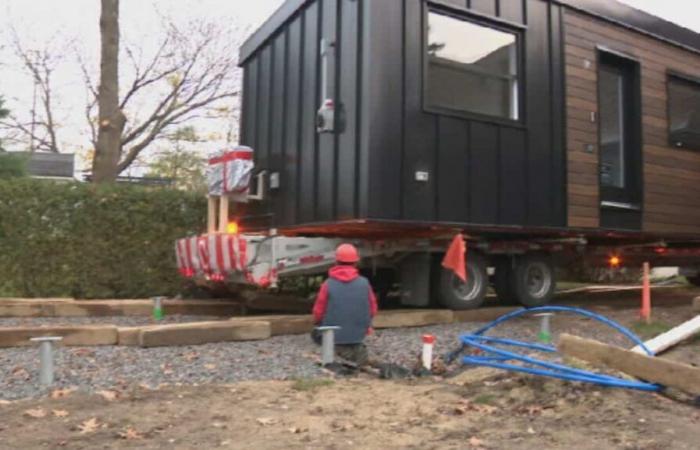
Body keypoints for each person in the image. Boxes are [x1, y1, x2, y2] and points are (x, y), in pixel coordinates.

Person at [311, 243, 378, 365]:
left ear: (336, 261)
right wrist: (365, 324)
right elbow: (373, 309)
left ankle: (339, 352)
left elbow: (318, 312)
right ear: (356, 262)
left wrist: (318, 323)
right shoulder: (364, 283)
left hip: (332, 335)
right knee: (354, 350)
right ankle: (355, 352)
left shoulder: (328, 284)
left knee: (318, 333)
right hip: (359, 334)